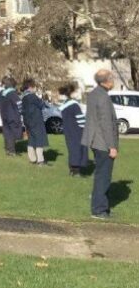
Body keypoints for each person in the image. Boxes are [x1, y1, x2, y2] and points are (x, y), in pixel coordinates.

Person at [82, 70, 119, 219]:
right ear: (106, 81)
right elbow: (106, 124)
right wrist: (112, 146)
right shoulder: (102, 97)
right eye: (112, 79)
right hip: (103, 142)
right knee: (103, 176)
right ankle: (99, 210)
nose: (114, 81)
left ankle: (100, 204)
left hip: (95, 140)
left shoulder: (94, 93)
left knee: (100, 174)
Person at [58, 83, 88, 177]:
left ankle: (71, 169)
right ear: (72, 93)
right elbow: (80, 119)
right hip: (77, 130)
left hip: (68, 130)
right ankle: (76, 171)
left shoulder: (65, 105)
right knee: (78, 149)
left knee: (71, 149)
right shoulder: (74, 105)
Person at [21, 78, 48, 166]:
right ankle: (40, 160)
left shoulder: (23, 96)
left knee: (31, 139)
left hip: (28, 121)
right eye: (34, 86)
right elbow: (41, 105)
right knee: (39, 139)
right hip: (36, 121)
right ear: (30, 87)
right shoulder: (32, 96)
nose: (35, 88)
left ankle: (32, 158)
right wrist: (41, 97)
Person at [0, 76, 23, 157]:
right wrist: (22, 112)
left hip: (4, 116)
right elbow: (19, 104)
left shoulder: (1, 93)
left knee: (6, 133)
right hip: (12, 116)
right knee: (12, 134)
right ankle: (12, 151)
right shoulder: (12, 93)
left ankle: (8, 149)